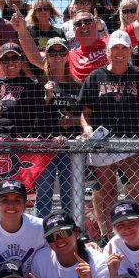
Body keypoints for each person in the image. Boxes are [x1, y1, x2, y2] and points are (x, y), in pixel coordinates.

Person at [79, 32, 139, 237]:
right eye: (115, 48)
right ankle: (109, 236)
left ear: (130, 51)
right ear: (107, 52)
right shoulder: (95, 77)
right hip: (103, 142)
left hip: (132, 141)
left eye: (123, 48)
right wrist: (87, 128)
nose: (119, 53)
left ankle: (135, 229)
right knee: (107, 191)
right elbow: (85, 111)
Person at [27, 211, 110, 278]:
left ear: (76, 233)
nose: (59, 240)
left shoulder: (97, 261)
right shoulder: (40, 260)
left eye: (64, 233)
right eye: (52, 237)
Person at [35, 37, 81, 218]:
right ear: (46, 55)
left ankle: (71, 232)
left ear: (67, 56)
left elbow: (87, 116)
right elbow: (33, 117)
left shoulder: (76, 85)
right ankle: (39, 234)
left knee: (70, 194)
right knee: (44, 194)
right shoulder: (39, 83)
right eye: (52, 52)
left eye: (61, 52)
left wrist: (73, 121)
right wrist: (46, 96)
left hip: (71, 146)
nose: (56, 56)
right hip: (46, 145)